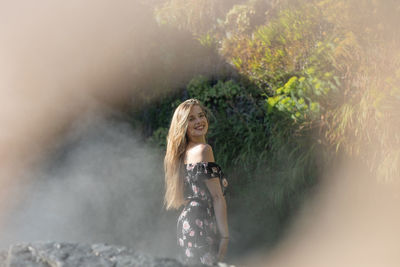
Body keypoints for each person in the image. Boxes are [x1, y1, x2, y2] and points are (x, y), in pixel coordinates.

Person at [164, 98, 229, 266]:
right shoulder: (204, 150)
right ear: (183, 125)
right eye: (191, 118)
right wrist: (225, 236)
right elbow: (216, 197)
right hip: (201, 223)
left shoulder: (183, 153)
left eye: (201, 115)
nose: (199, 121)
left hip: (188, 222)